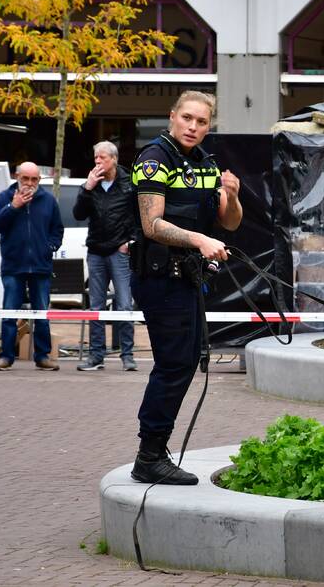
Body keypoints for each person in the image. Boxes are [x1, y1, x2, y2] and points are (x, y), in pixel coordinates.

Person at [129, 91, 242, 485]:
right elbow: (151, 225)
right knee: (175, 363)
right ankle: (150, 456)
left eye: (203, 122)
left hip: (188, 279)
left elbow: (228, 223)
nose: (194, 127)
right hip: (159, 279)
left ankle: (154, 451)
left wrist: (232, 195)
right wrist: (198, 240)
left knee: (185, 360)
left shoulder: (206, 164)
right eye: (188, 118)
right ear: (172, 116)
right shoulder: (154, 159)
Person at [0, 161, 64, 371]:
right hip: (13, 265)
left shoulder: (48, 200)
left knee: (42, 314)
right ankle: (6, 357)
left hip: (41, 266)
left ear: (39, 180)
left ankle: (42, 356)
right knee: (10, 313)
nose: (29, 183)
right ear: (17, 177)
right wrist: (14, 207)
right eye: (25, 178)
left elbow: (57, 229)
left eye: (34, 179)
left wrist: (50, 246)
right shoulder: (4, 197)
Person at [73, 141, 139, 372]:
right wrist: (87, 188)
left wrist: (132, 242)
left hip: (119, 252)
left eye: (102, 158)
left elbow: (141, 216)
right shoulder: (92, 185)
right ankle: (96, 356)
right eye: (95, 158)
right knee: (96, 307)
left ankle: (128, 355)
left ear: (114, 159)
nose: (98, 162)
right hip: (96, 252)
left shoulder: (130, 183)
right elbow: (78, 214)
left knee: (124, 305)